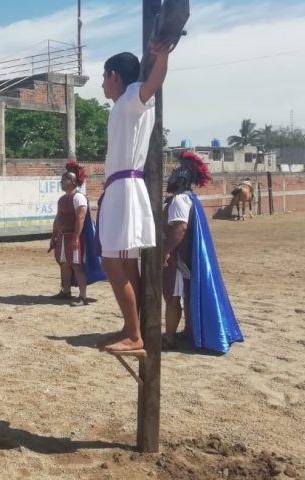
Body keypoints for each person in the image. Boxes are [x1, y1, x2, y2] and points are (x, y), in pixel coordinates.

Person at [97, 39, 173, 352]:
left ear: (115, 75)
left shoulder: (131, 97)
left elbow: (152, 85)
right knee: (124, 264)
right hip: (119, 188)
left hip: (125, 188)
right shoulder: (121, 108)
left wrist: (162, 57)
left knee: (112, 261)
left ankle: (134, 333)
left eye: (104, 76)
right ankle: (133, 327)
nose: (102, 83)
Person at [162, 152, 243, 353]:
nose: (169, 179)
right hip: (185, 257)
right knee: (185, 296)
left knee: (172, 297)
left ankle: (169, 338)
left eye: (172, 175)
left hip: (177, 258)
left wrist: (165, 252)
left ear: (181, 178)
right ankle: (190, 332)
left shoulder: (180, 200)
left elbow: (179, 228)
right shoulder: (190, 198)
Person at [48, 161, 94, 307]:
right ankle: (66, 291)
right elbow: (57, 219)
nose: (61, 182)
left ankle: (83, 296)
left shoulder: (78, 198)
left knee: (76, 265)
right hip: (62, 236)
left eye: (64, 180)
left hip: (74, 237)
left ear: (72, 181)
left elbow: (80, 218)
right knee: (64, 265)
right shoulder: (62, 199)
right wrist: (53, 237)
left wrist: (75, 238)